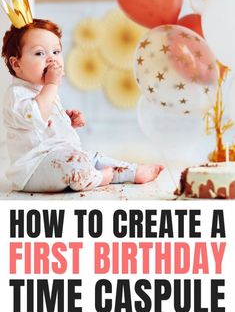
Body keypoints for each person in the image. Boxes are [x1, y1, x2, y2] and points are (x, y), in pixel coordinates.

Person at [1, 18, 164, 193]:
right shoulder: (17, 95)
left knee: (93, 157)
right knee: (74, 162)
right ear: (16, 64)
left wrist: (65, 119)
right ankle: (102, 177)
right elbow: (37, 117)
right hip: (33, 169)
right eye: (40, 53)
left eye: (56, 51)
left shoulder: (43, 90)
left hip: (58, 158)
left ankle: (132, 171)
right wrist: (51, 85)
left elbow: (44, 125)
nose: (51, 59)